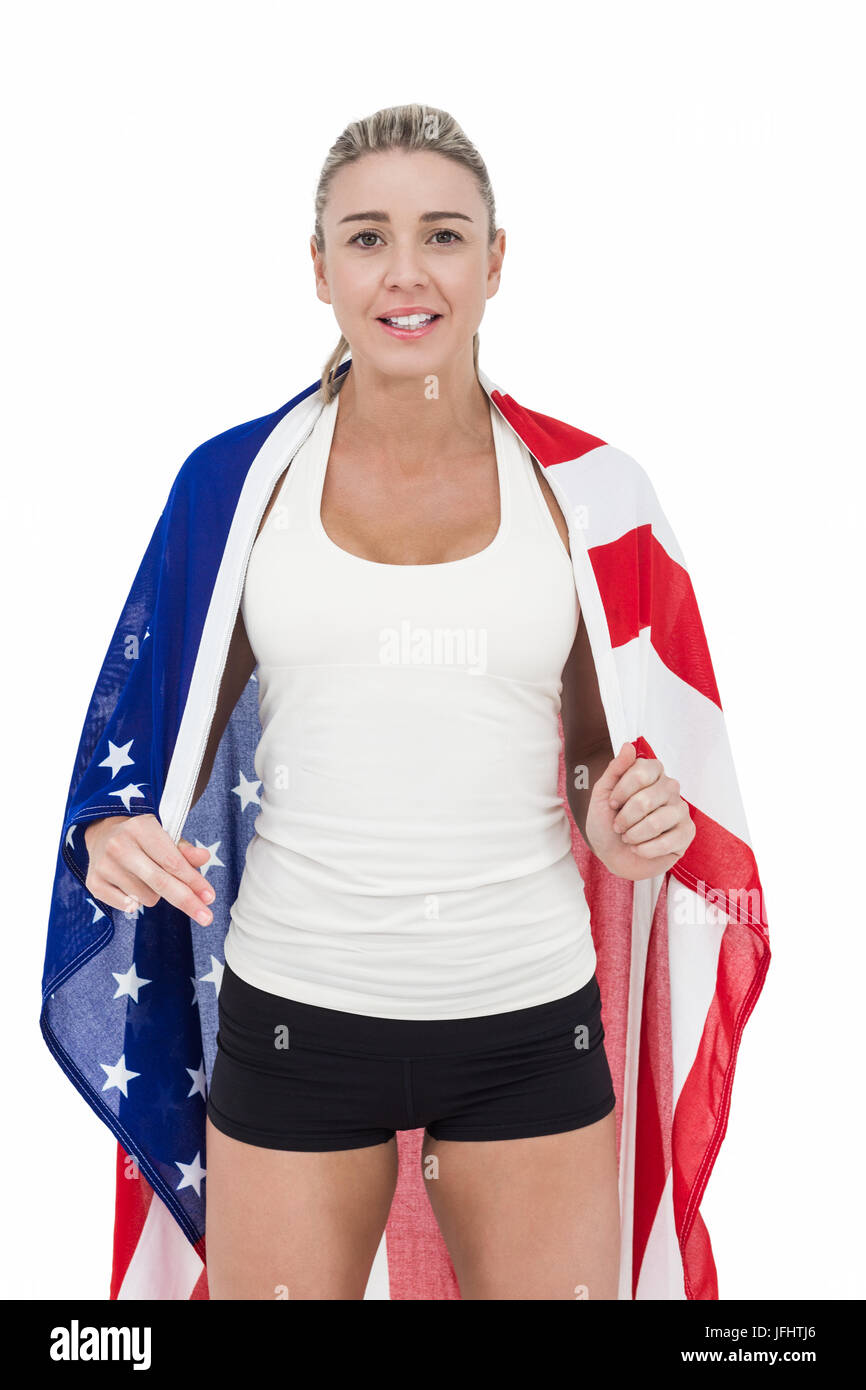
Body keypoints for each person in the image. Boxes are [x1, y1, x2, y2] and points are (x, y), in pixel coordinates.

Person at [80, 103, 698, 1300]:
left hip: (527, 1017)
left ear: (495, 261)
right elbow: (147, 737)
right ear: (318, 268)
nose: (405, 273)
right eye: (365, 237)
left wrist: (615, 822)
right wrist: (112, 831)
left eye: (443, 236)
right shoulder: (236, 482)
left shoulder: (585, 490)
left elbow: (588, 758)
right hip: (296, 1019)